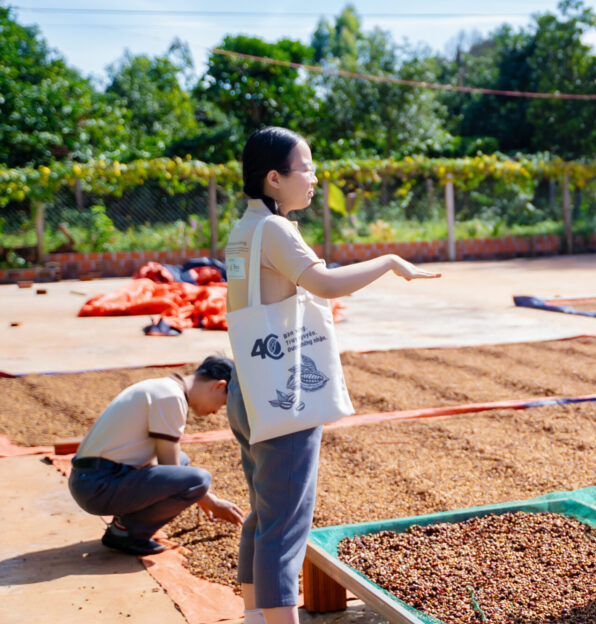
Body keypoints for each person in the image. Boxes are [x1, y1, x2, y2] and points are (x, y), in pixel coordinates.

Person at [225, 127, 440, 624]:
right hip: (281, 393)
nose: (316, 179)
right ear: (274, 178)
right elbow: (322, 282)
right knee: (285, 526)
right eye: (308, 169)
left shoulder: (244, 229)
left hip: (247, 384)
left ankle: (254, 618)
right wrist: (388, 262)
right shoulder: (277, 230)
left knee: (263, 516)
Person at [68, 356, 245, 556]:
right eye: (222, 403)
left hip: (91, 479)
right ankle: (126, 532)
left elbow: (169, 465)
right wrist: (210, 501)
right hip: (97, 486)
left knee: (184, 462)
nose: (215, 412)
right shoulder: (171, 397)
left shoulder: (163, 388)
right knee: (198, 479)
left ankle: (124, 524)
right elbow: (170, 466)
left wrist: (202, 497)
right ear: (219, 386)